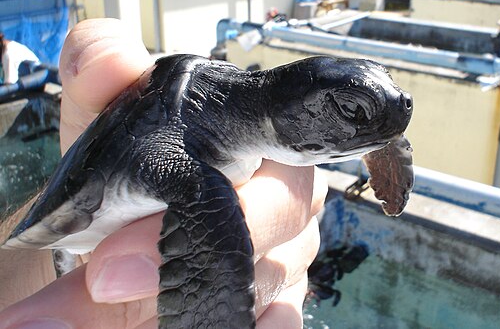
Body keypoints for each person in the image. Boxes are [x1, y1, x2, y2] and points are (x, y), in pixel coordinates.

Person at [0, 18, 325, 328]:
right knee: (211, 209)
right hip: (93, 198)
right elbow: (205, 207)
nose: (374, 137)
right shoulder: (195, 162)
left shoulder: (234, 111)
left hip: (71, 238)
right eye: (354, 110)